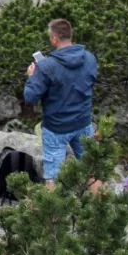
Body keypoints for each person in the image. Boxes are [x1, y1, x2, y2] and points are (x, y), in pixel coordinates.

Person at [23, 19, 99, 185]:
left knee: (53, 176)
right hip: (83, 122)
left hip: (56, 128)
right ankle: (101, 206)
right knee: (92, 169)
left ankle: (54, 210)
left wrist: (32, 77)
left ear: (55, 39)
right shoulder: (89, 58)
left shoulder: (46, 66)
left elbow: (30, 97)